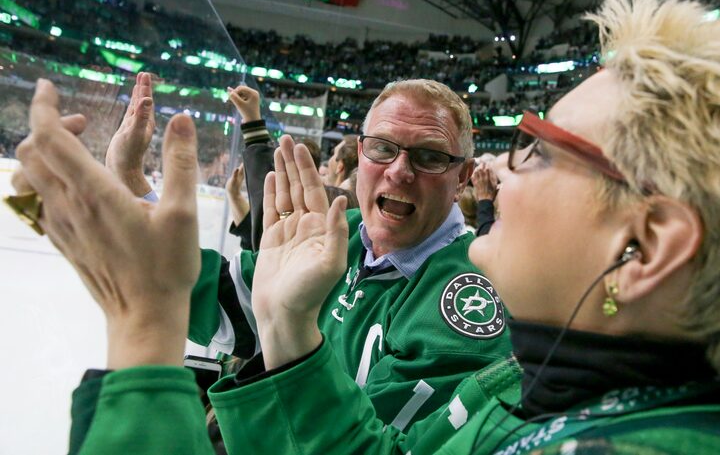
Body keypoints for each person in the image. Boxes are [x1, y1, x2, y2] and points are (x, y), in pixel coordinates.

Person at [17, 0, 720, 454]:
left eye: (539, 151)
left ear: (643, 247)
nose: (497, 173)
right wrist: (284, 325)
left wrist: (144, 332)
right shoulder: (553, 378)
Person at [62, 77, 510, 440]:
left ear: (463, 178)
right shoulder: (342, 233)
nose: (399, 170)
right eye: (382, 147)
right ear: (361, 151)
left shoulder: (463, 303)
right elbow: (231, 301)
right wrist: (128, 185)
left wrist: (288, 329)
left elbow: (361, 446)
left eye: (430, 156)